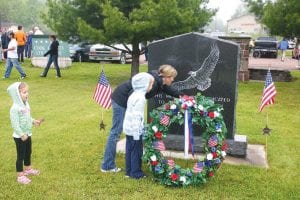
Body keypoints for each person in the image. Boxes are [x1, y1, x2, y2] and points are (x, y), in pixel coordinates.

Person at [100, 64, 183, 173]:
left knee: (129, 132)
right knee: (116, 132)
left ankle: (128, 163)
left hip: (128, 100)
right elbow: (132, 96)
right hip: (121, 100)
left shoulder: (159, 81)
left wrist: (184, 97)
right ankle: (107, 165)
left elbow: (170, 90)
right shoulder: (152, 83)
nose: (173, 80)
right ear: (165, 77)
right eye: (172, 77)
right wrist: (134, 120)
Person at [7, 82, 44, 184]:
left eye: (27, 91)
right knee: (21, 156)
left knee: (28, 152)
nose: (27, 94)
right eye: (24, 92)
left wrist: (34, 121)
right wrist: (22, 134)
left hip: (28, 134)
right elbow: (15, 124)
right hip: (20, 137)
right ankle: (20, 176)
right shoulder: (14, 108)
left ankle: (28, 169)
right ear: (17, 94)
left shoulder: (26, 104)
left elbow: (27, 117)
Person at [123, 73, 154, 179]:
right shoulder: (141, 98)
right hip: (135, 130)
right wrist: (137, 133)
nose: (151, 87)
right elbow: (137, 116)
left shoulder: (133, 94)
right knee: (137, 151)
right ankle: (136, 173)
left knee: (129, 150)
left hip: (128, 128)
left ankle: (129, 171)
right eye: (150, 84)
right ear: (144, 85)